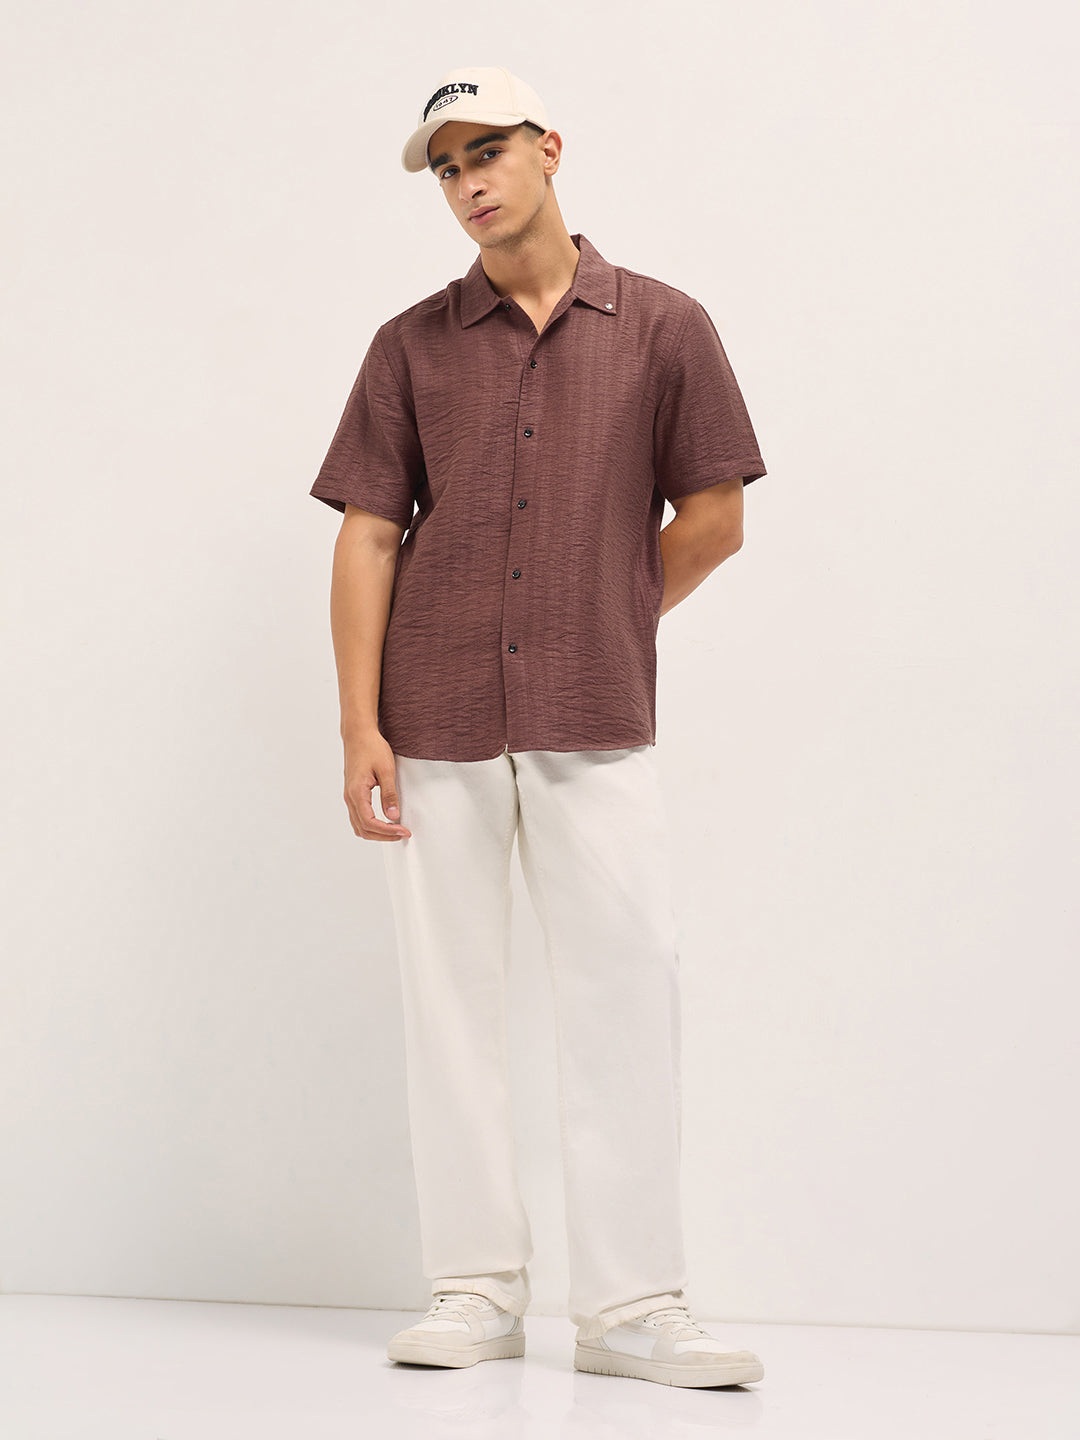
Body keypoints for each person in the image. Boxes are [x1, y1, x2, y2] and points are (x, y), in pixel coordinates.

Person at [309, 65, 768, 1389]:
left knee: (627, 989)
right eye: (448, 168)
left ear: (549, 148)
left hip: (593, 710)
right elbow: (368, 536)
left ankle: (633, 1307)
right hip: (436, 709)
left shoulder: (665, 325)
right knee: (448, 1004)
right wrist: (358, 725)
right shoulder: (409, 345)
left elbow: (717, 517)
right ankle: (475, 1289)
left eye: (488, 151)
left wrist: (606, 612)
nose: (470, 183)